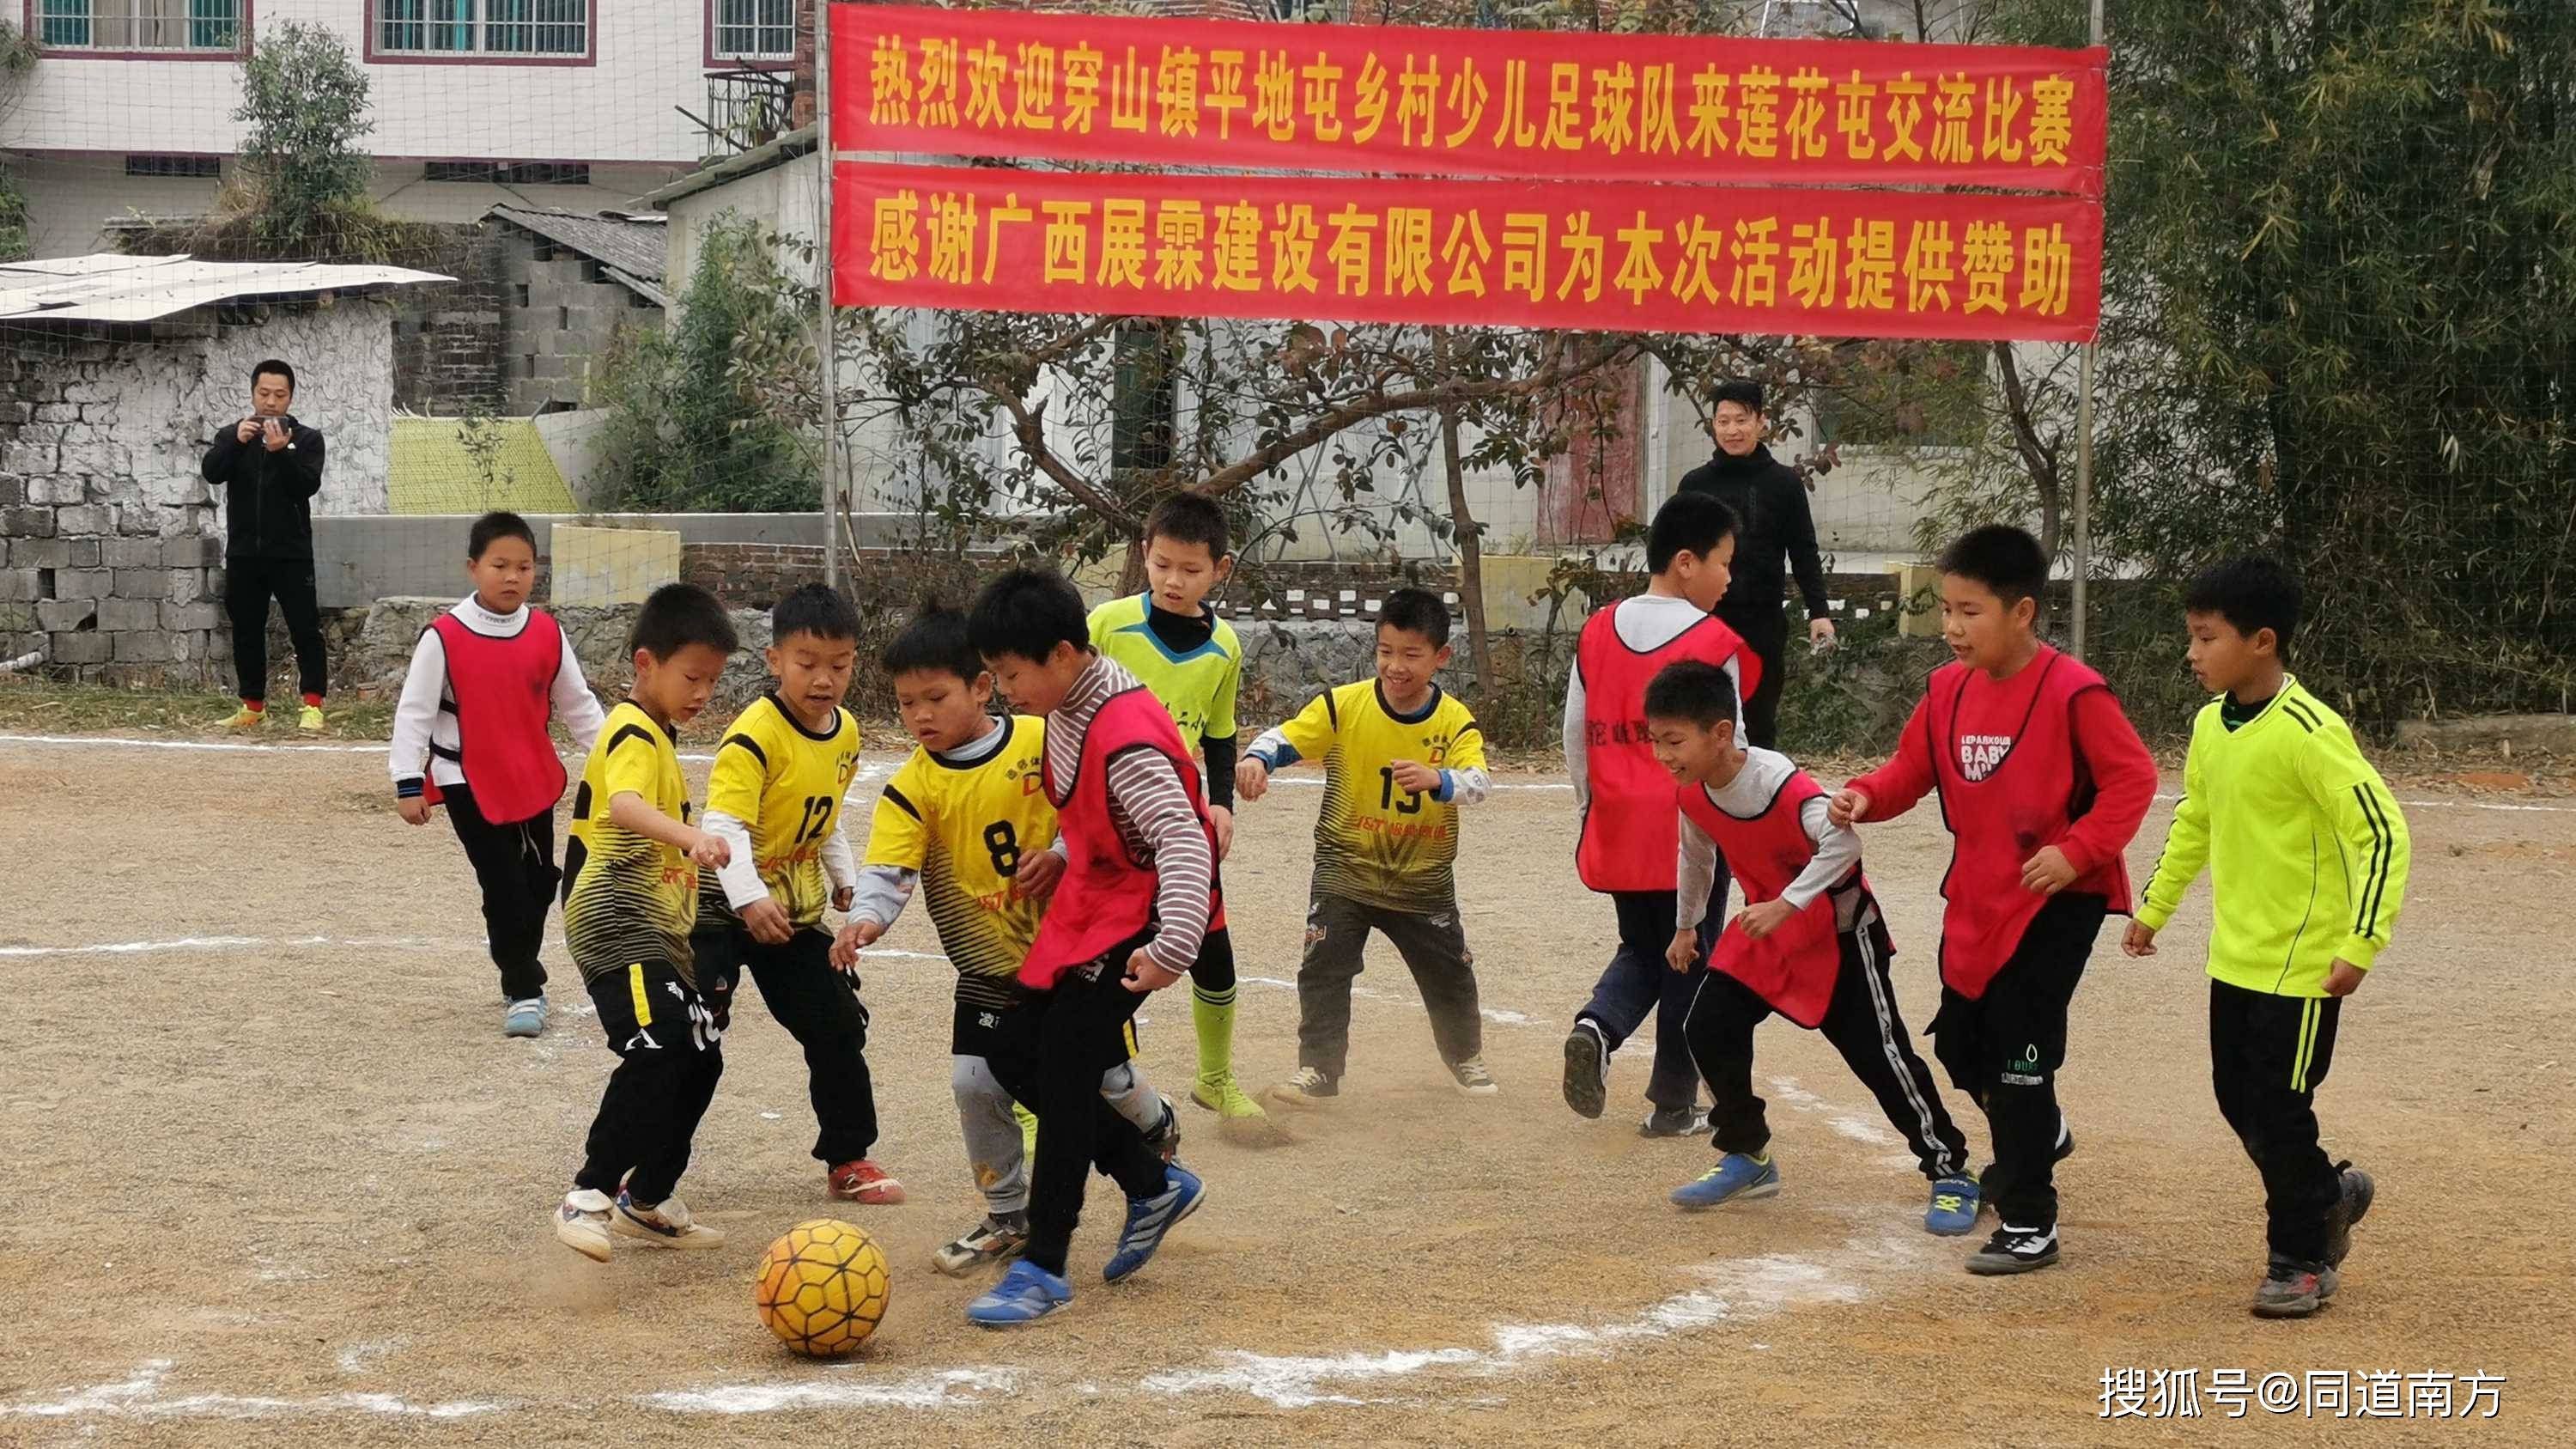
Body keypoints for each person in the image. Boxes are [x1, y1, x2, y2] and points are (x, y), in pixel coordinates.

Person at [1829, 525, 2156, 1275]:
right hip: (1978, 895)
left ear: (2023, 612)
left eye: (1969, 611)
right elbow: (1909, 770)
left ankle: (2030, 1219)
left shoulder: (2075, 691)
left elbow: (2132, 779)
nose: (1951, 627)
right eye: (1946, 609)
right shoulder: (1946, 690)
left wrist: (2075, 852)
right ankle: (2039, 1129)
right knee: (1959, 1046)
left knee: (2019, 1056)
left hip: (2057, 901)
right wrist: (1863, 796)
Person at [834, 600, 1182, 1276]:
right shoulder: (913, 786)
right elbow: (890, 869)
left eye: (935, 697)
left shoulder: (1041, 740)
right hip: (987, 965)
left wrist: (1056, 849)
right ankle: (1005, 1215)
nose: (921, 715)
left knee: (1099, 1075)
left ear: (983, 686)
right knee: (974, 1081)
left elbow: (1089, 815)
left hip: (1073, 953)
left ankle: (1153, 1121)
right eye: (906, 704)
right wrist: (866, 920)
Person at [2123, 557, 2406, 1318]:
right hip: (2236, 958)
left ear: (2262, 641)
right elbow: (2197, 822)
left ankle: (2301, 1257)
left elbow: (2380, 834)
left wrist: (2361, 941)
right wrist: (2154, 906)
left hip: (2306, 965)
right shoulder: (2211, 725)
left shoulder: (2312, 731)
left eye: (2206, 637)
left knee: (2280, 1110)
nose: (2192, 652)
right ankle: (2329, 1194)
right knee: (2236, 1100)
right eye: (2191, 636)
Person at [1642, 660, 1976, 1231]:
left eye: (1674, 741)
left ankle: (1950, 1170)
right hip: (1769, 925)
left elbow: (1844, 845)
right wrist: (1685, 925)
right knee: (1708, 1026)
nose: (1663, 755)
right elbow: (1695, 858)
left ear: (1721, 733)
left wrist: (1786, 903)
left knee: (1881, 1056)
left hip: (1838, 931)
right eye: (1655, 741)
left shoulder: (1780, 783)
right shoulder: (1693, 794)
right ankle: (1748, 1154)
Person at [961, 566, 1212, 1325]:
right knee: (1010, 1051)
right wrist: (1064, 857)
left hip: (1143, 914)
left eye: (1011, 675)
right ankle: (1150, 1180)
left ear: (1065, 654)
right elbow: (1099, 816)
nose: (1005, 691)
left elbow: (1182, 836)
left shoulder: (1126, 733)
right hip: (1090, 901)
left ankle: (1043, 1263)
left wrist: (1174, 946)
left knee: (1067, 1062)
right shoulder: (1070, 700)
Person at [1237, 587, 1497, 1102]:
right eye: (1385, 651)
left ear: (1441, 657)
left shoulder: (1454, 721)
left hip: (1421, 880)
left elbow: (1480, 782)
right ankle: (1319, 1070)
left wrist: (1439, 780)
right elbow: (1285, 736)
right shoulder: (1344, 706)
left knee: (1449, 974)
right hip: (1344, 869)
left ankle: (1464, 1056)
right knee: (1323, 966)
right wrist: (1256, 759)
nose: (1395, 666)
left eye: (1411, 655)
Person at [1561, 491, 1761, 1137]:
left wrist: (1590, 803)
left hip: (1617, 818)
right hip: (1690, 820)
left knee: (1643, 944)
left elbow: (1573, 731)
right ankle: (1673, 1101)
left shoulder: (1596, 630)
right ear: (1685, 562)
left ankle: (1597, 1024)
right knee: (1690, 953)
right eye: (1723, 563)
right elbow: (1735, 743)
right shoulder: (1713, 639)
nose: (1729, 578)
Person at [696, 584, 902, 1207]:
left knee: (838, 1025)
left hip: (790, 911)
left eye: (838, 666)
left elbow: (827, 814)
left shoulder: (845, 733)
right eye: (807, 663)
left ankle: (848, 1158)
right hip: (719, 909)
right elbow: (722, 826)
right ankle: (642, 1168)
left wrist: (844, 876)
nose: (823, 679)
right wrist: (748, 899)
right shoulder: (753, 736)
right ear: (774, 660)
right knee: (692, 1036)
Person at [551, 584, 738, 1261]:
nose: (702, 693)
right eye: (692, 677)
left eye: (712, 682)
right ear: (645, 662)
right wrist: (689, 837)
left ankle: (648, 1197)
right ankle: (590, 1192)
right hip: (614, 925)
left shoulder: (661, 736)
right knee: (658, 1045)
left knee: (701, 1058)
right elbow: (626, 807)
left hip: (658, 929)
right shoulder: (630, 730)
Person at [1086, 495, 1280, 1146]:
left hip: (1184, 819)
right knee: (1095, 957)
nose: (1173, 579)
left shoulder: (1224, 644)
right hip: (1107, 821)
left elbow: (1220, 733)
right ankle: (1071, 1081)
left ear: (1219, 569)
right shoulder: (1106, 624)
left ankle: (1216, 1076)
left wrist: (1221, 801)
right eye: (1162, 563)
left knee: (1211, 946)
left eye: (1190, 569)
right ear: (1144, 553)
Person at [389, 511, 605, 1038]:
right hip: (465, 779)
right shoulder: (443, 636)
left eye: (525, 567)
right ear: (473, 568)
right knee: (504, 884)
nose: (513, 577)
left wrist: (619, 759)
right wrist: (407, 781)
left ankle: (517, 965)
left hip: (532, 777)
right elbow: (414, 712)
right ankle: (524, 987)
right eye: (500, 565)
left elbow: (580, 707)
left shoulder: (547, 633)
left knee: (538, 882)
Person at [1676, 379, 1834, 749]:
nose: (1732, 430)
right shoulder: (1694, 485)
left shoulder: (1784, 485)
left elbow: (1804, 550)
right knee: (1701, 717)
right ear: (1713, 425)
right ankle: (1701, 803)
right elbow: (1676, 555)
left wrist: (1819, 611)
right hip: (1704, 620)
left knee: (1758, 722)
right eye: (1723, 421)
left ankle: (1759, 803)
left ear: (1761, 422)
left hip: (1763, 622)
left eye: (1741, 420)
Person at [203, 358, 330, 733]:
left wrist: (281, 451)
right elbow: (212, 472)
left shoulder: (306, 439)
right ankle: (253, 705)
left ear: (290, 397)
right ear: (253, 393)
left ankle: (312, 704)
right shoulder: (232, 434)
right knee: (246, 628)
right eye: (264, 393)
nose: (271, 401)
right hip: (244, 553)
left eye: (280, 394)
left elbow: (305, 486)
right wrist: (237, 444)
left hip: (291, 553)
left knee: (304, 628)